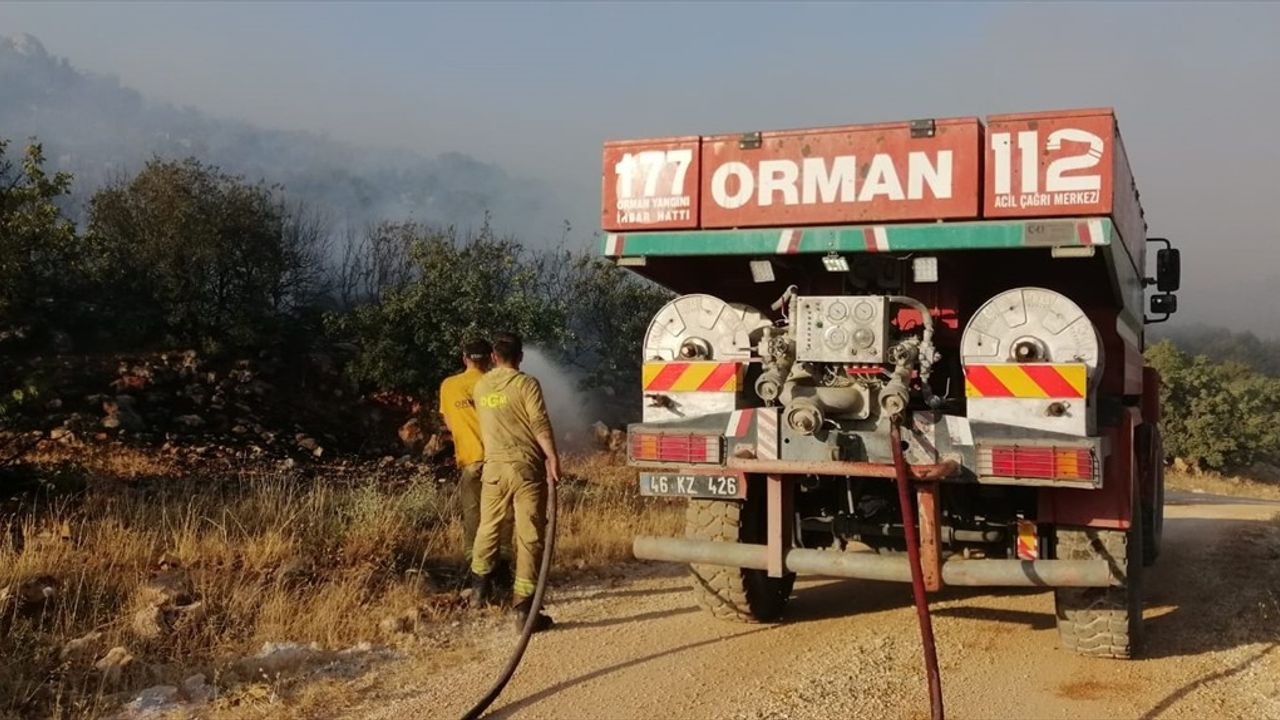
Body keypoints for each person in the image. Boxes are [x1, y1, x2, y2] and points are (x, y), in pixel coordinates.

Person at [469, 332, 561, 631]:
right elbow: (539, 424)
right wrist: (552, 458)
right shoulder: (527, 384)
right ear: (520, 356)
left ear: (494, 357)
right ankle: (524, 610)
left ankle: (478, 592)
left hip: (493, 470)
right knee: (529, 536)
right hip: (525, 470)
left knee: (488, 526)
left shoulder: (481, 386)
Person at [438, 338, 511, 580]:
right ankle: (502, 569)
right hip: (498, 459)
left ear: (464, 359)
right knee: (503, 514)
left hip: (470, 461)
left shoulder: (448, 386)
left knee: (473, 515)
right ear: (491, 358)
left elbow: (449, 422)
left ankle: (476, 572)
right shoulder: (496, 382)